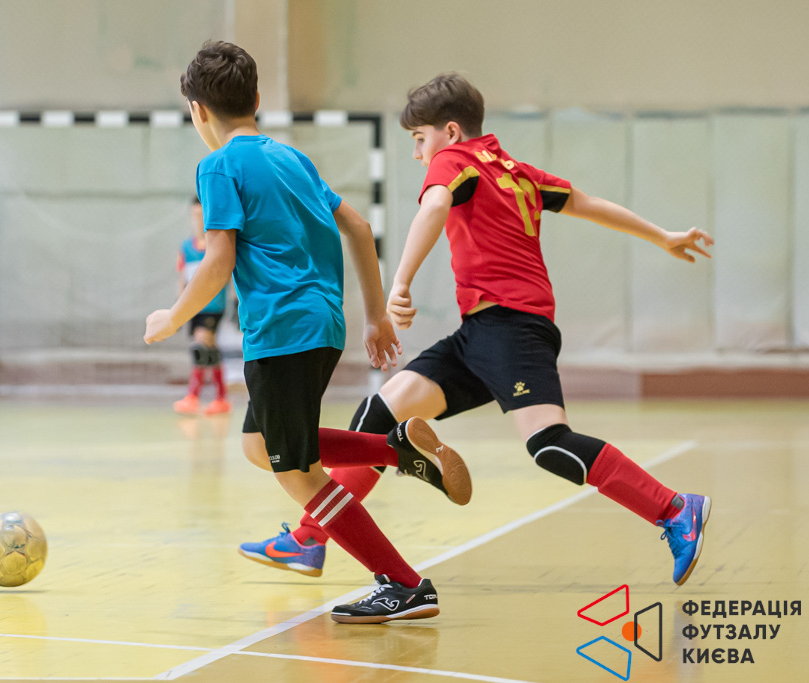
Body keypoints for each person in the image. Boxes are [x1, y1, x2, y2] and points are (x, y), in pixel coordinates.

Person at [240, 73, 715, 588]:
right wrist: (661, 236)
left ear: (449, 131)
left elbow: (435, 205)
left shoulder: (455, 159)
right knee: (380, 413)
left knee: (550, 444)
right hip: (481, 332)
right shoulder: (516, 171)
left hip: (513, 329)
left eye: (419, 139)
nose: (418, 154)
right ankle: (311, 537)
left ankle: (674, 508)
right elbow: (587, 203)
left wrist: (400, 282)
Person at [144, 42, 472, 624]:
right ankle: (395, 449)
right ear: (257, 100)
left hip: (282, 329)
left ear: (197, 110)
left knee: (297, 472)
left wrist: (172, 317)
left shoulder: (217, 166)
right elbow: (359, 226)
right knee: (260, 445)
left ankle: (404, 583)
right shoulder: (292, 158)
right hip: (323, 323)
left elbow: (218, 260)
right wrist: (375, 316)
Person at [174, 196, 232, 416]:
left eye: (202, 216)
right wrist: (177, 311)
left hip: (213, 306)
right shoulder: (185, 248)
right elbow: (182, 279)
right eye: (195, 215)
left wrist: (236, 301)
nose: (198, 220)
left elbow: (228, 275)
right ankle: (221, 397)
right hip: (193, 307)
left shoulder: (216, 246)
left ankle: (193, 396)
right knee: (210, 349)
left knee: (200, 345)